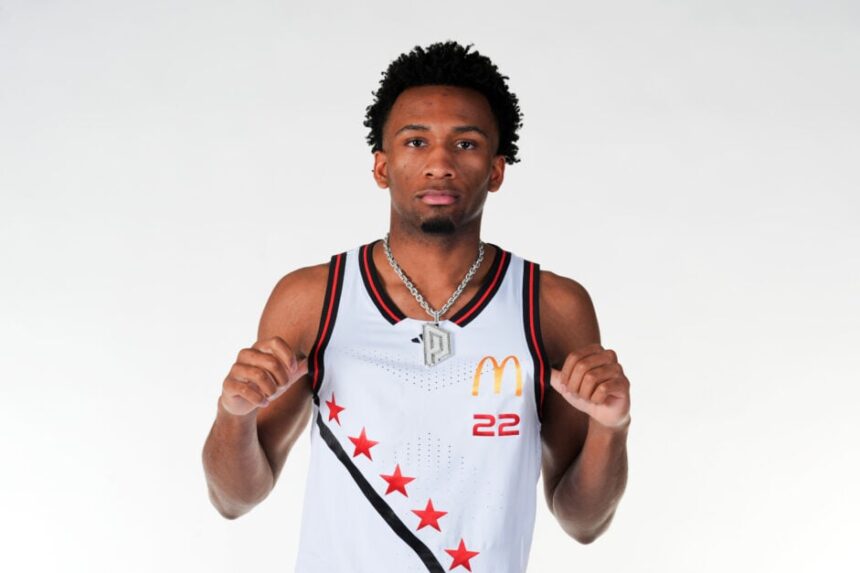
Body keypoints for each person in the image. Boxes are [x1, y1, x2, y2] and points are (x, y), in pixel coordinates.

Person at [202, 40, 631, 572]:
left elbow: (583, 522)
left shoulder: (551, 306)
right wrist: (233, 416)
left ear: (497, 171)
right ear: (381, 166)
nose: (440, 163)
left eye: (467, 143)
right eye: (416, 141)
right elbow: (233, 500)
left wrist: (611, 427)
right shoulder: (314, 298)